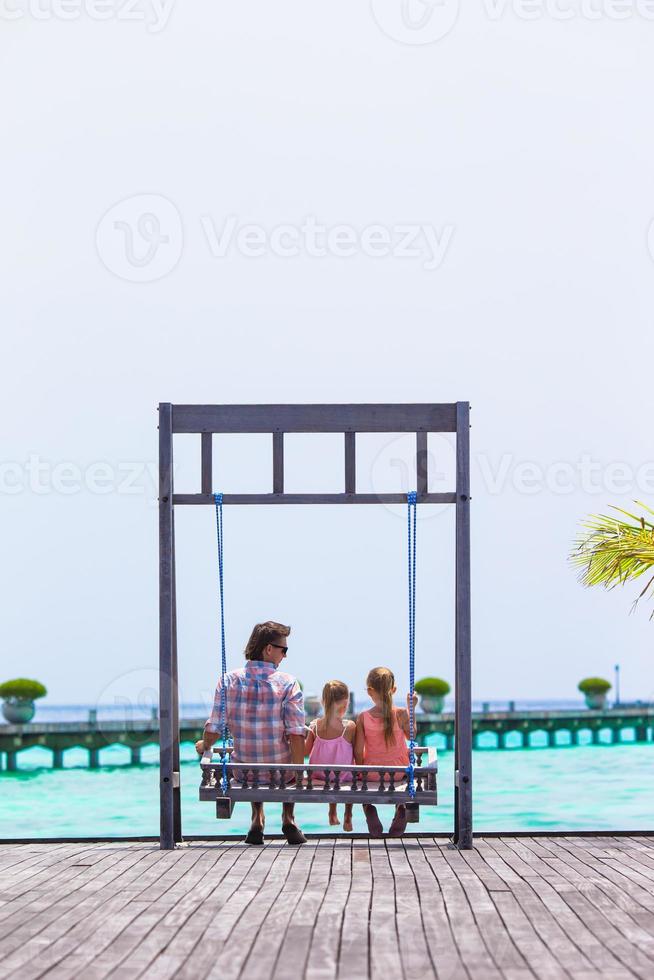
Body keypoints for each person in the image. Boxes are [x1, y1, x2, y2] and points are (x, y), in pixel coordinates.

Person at [195, 621, 307, 846]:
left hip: (244, 775)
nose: (284, 656)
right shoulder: (288, 683)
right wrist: (300, 775)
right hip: (281, 776)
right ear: (268, 649)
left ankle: (257, 819)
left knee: (251, 755)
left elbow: (214, 727)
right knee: (287, 761)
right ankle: (288, 817)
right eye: (283, 650)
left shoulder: (228, 681)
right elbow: (296, 735)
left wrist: (203, 744)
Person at [354, 666, 417, 838]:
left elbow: (358, 752)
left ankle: (368, 808)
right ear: (394, 689)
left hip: (373, 773)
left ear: (369, 691)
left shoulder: (363, 717)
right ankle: (400, 807)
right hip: (398, 772)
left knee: (361, 784)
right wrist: (411, 710)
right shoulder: (401, 713)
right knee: (401, 771)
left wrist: (361, 772)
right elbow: (412, 735)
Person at [305, 680, 355, 832]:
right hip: (344, 776)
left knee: (331, 772)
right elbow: (357, 753)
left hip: (320, 776)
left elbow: (306, 751)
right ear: (346, 703)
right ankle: (348, 814)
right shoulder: (350, 727)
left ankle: (332, 812)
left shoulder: (315, 726)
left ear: (322, 702)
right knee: (348, 772)